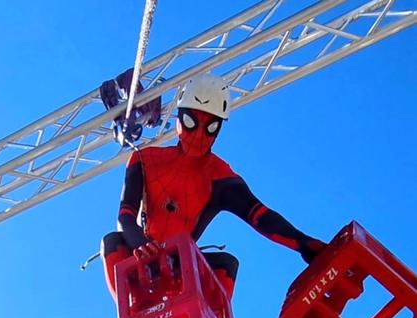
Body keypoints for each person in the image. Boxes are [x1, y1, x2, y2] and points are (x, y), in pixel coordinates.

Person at [101, 73, 326, 302]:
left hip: (182, 264)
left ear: (218, 130)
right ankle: (132, 308)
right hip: (141, 257)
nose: (199, 134)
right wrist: (141, 245)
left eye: (210, 127)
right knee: (113, 242)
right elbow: (126, 215)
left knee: (225, 265)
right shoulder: (145, 159)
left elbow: (260, 215)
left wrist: (304, 244)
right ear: (179, 119)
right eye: (191, 122)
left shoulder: (219, 176)